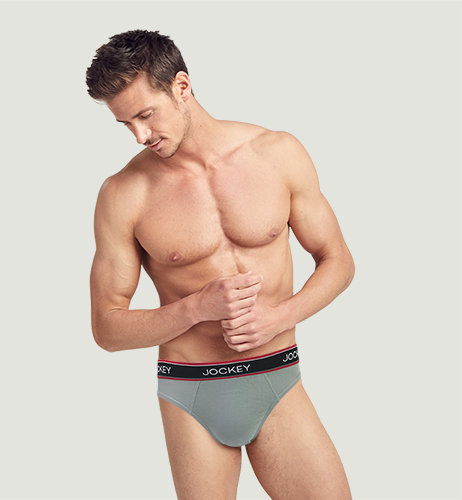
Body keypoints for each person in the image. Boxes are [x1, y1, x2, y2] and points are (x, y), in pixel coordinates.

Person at [86, 29, 354, 500]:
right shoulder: (123, 194)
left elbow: (338, 261)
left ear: (182, 86)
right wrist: (195, 308)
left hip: (277, 375)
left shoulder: (277, 153)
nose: (140, 136)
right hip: (192, 390)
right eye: (125, 124)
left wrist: (279, 317)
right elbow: (107, 329)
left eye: (145, 115)